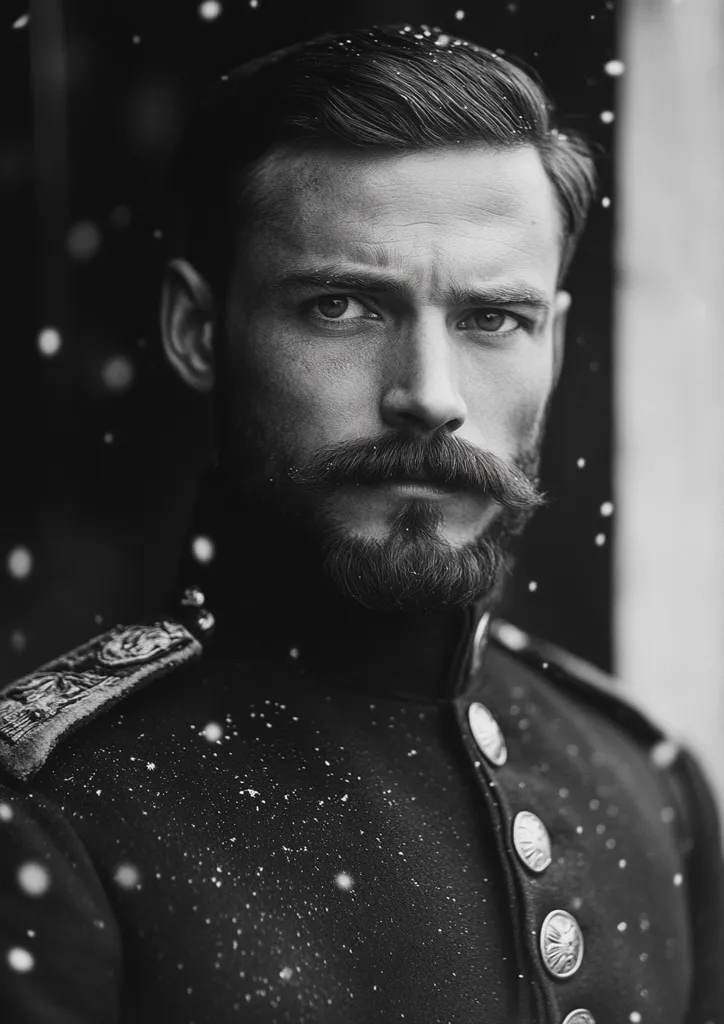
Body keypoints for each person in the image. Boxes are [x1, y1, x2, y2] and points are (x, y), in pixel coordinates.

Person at [1, 24, 722, 1024]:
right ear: (197, 330)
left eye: (491, 319)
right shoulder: (50, 818)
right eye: (342, 306)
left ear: (551, 343)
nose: (429, 396)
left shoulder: (651, 787)